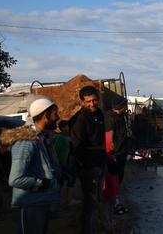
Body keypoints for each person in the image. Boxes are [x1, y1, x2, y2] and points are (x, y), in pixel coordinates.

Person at [0, 97, 61, 234]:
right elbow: (15, 179)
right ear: (46, 116)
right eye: (55, 114)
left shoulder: (42, 138)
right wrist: (40, 182)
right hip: (29, 204)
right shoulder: (27, 141)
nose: (58, 118)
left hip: (40, 201)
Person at [71, 86, 106, 234]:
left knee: (97, 201)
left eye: (94, 100)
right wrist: (90, 167)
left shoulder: (99, 114)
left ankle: (95, 228)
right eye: (88, 101)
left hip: (100, 163)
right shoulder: (79, 120)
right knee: (89, 205)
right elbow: (77, 148)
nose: (92, 104)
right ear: (82, 102)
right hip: (89, 169)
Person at [104, 97, 130, 215]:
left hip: (122, 151)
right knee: (114, 178)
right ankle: (114, 202)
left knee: (119, 176)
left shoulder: (121, 116)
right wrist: (111, 153)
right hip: (116, 154)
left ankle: (116, 198)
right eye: (125, 105)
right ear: (121, 106)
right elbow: (109, 137)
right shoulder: (111, 118)